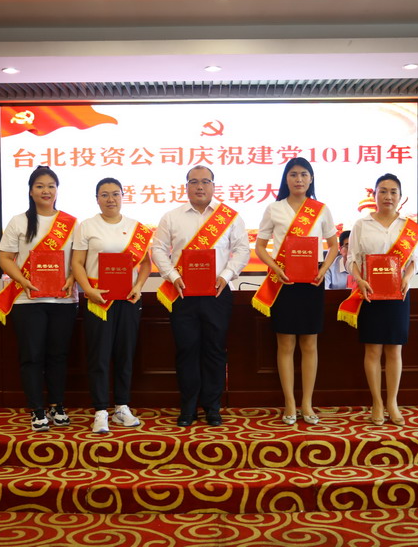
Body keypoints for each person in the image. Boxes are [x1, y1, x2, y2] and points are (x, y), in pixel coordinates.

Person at [152, 165, 250, 427]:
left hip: (217, 293)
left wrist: (226, 275)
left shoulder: (229, 217)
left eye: (205, 181)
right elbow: (158, 250)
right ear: (186, 187)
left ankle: (212, 407)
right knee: (186, 350)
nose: (199, 186)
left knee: (215, 350)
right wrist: (173, 276)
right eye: (193, 182)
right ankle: (188, 406)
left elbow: (242, 250)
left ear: (213, 186)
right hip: (182, 293)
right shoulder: (172, 217)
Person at [0, 166, 78, 433]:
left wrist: (72, 278)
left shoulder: (72, 223)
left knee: (58, 356)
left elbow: (80, 259)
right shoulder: (19, 221)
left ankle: (57, 406)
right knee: (32, 356)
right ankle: (37, 409)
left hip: (63, 300)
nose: (46, 191)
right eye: (40, 186)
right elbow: (5, 258)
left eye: (51, 186)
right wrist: (23, 280)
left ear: (57, 190)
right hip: (27, 300)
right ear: (31, 191)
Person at [252, 157, 338, 426]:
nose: (299, 179)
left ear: (311, 179)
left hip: (312, 282)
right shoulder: (274, 208)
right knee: (286, 343)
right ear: (286, 179)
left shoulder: (320, 209)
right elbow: (260, 246)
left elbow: (334, 245)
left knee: (310, 343)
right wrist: (275, 268)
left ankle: (307, 403)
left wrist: (324, 269)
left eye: (303, 174)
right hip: (284, 282)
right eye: (293, 174)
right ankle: (290, 402)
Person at [72, 178, 153, 434]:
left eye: (115, 194)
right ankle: (100, 410)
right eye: (104, 194)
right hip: (99, 301)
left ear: (123, 196)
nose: (110, 199)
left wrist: (138, 286)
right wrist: (88, 290)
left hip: (128, 300)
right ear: (97, 199)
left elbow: (146, 264)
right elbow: (77, 263)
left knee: (124, 354)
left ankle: (121, 407)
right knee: (99, 355)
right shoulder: (87, 226)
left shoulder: (136, 227)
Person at [344, 173, 418, 427]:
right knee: (373, 349)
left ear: (400, 197)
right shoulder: (361, 224)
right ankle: (377, 402)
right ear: (375, 195)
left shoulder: (408, 227)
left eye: (393, 192)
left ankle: (392, 402)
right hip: (370, 293)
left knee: (394, 349)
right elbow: (351, 259)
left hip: (398, 294)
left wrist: (407, 277)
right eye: (383, 191)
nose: (388, 196)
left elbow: (415, 261)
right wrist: (359, 279)